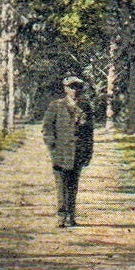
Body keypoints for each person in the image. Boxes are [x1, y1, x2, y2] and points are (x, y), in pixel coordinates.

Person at [43, 74, 94, 228]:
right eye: (71, 87)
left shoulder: (86, 107)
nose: (75, 90)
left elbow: (89, 133)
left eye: (77, 87)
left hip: (77, 153)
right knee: (61, 186)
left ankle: (71, 216)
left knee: (73, 186)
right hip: (61, 154)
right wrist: (53, 149)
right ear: (65, 89)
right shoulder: (55, 106)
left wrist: (88, 153)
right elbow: (47, 129)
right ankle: (61, 216)